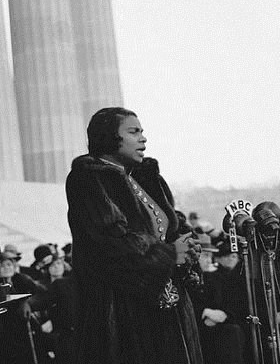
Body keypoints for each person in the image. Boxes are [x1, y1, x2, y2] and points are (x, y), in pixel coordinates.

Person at [65, 107, 203, 364]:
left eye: (142, 131)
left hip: (169, 307)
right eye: (133, 131)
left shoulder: (146, 178)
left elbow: (174, 225)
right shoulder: (88, 180)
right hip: (123, 312)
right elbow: (111, 243)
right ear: (109, 137)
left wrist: (186, 245)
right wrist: (170, 255)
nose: (143, 138)